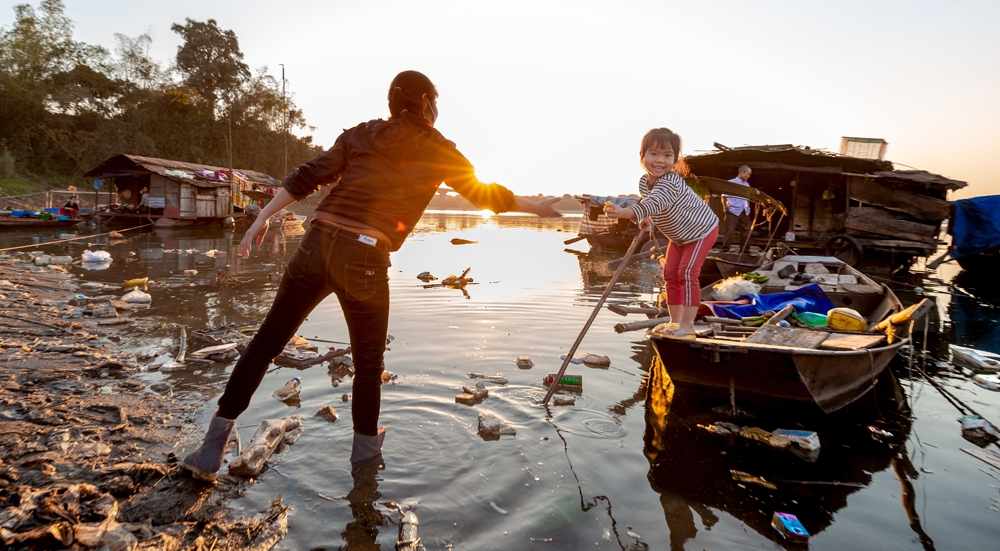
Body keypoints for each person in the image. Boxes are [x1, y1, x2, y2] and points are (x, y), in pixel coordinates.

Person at [180, 70, 561, 481]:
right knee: (367, 365)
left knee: (264, 344)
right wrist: (536, 207)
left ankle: (211, 449)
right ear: (428, 103)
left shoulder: (361, 134)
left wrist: (262, 218)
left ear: (393, 103)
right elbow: (484, 193)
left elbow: (307, 176)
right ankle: (364, 464)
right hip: (364, 257)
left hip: (315, 245)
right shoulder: (438, 147)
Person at [604, 128, 718, 339]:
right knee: (670, 275)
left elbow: (656, 202)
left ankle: (688, 326)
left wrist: (625, 212)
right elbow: (651, 205)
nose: (660, 160)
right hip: (679, 236)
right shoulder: (643, 182)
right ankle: (675, 323)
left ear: (675, 160)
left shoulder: (671, 182)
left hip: (701, 231)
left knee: (687, 273)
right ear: (643, 156)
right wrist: (646, 217)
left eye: (667, 155)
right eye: (654, 154)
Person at [720, 165, 753, 250]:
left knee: (745, 231)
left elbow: (748, 198)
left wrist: (748, 207)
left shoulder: (747, 184)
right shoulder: (731, 183)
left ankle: (745, 249)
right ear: (742, 172)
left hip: (744, 211)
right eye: (747, 174)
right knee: (730, 230)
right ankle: (725, 248)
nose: (748, 176)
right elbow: (724, 196)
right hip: (732, 210)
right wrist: (725, 208)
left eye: (749, 175)